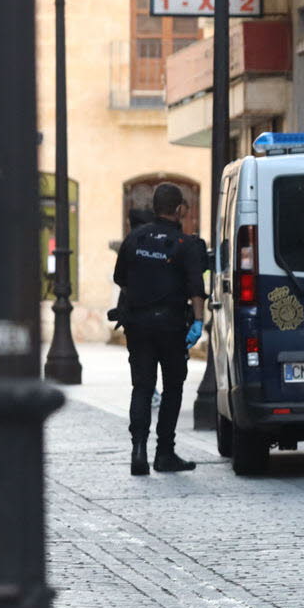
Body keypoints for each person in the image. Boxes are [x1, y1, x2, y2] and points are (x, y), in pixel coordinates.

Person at [113, 183, 205, 475]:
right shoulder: (185, 245)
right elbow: (196, 290)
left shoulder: (134, 238)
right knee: (173, 387)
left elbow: (121, 279)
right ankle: (164, 453)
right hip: (171, 326)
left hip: (138, 325)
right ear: (178, 209)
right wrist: (199, 321)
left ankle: (137, 451)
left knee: (141, 387)